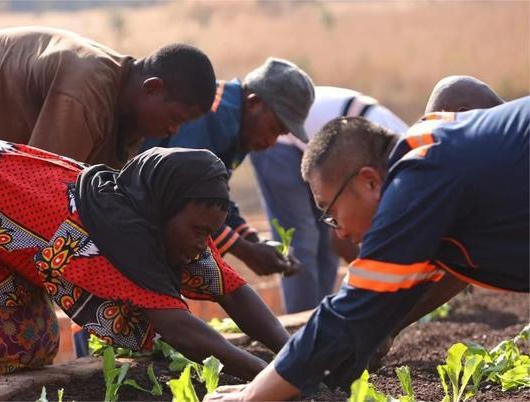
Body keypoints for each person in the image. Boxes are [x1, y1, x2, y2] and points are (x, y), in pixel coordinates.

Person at [0, 139, 289, 397]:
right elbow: (180, 329)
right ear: (165, 209)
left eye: (211, 233)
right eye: (199, 231)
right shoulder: (103, 238)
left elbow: (233, 290)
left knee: (31, 338)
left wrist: (293, 354)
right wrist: (277, 379)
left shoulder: (157, 214)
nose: (203, 244)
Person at [205, 97, 529, 401]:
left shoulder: (417, 178)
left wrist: (251, 396)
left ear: (369, 182)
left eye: (330, 211)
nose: (339, 229)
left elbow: (352, 309)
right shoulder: (430, 153)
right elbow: (407, 289)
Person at [0, 27, 216, 168]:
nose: (174, 130)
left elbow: (101, 194)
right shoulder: (85, 92)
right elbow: (40, 186)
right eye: (176, 118)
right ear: (153, 88)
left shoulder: (129, 117)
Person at [141, 57, 314, 277]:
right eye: (273, 128)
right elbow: (185, 197)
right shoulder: (211, 115)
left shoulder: (239, 127)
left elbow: (213, 196)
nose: (272, 143)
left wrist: (253, 240)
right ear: (254, 103)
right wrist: (246, 251)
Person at [250, 87, 409, 313]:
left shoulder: (401, 159)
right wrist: (379, 281)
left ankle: (320, 316)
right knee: (302, 238)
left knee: (328, 237)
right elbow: (342, 240)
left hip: (327, 150)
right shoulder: (398, 164)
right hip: (283, 141)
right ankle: (302, 322)